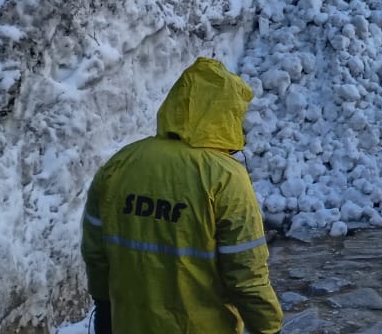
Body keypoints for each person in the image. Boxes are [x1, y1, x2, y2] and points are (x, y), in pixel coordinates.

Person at [81, 58, 283, 334]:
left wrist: (104, 307)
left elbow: (96, 252)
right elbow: (246, 274)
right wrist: (269, 328)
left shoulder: (121, 163)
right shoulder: (224, 177)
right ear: (226, 113)